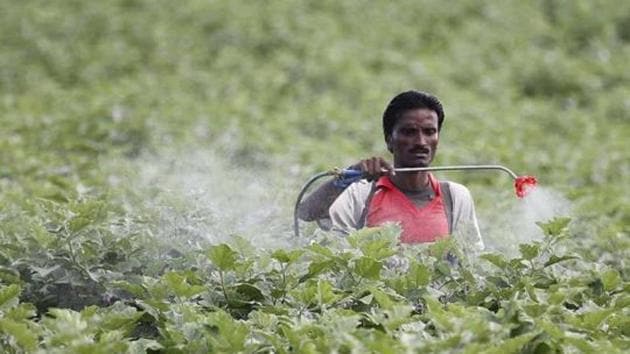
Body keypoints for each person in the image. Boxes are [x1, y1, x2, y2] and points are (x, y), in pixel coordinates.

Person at [297, 90, 483, 250]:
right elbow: (306, 215)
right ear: (389, 140)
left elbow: (471, 263)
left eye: (429, 132)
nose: (420, 142)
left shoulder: (455, 197)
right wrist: (349, 175)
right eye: (409, 132)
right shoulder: (362, 193)